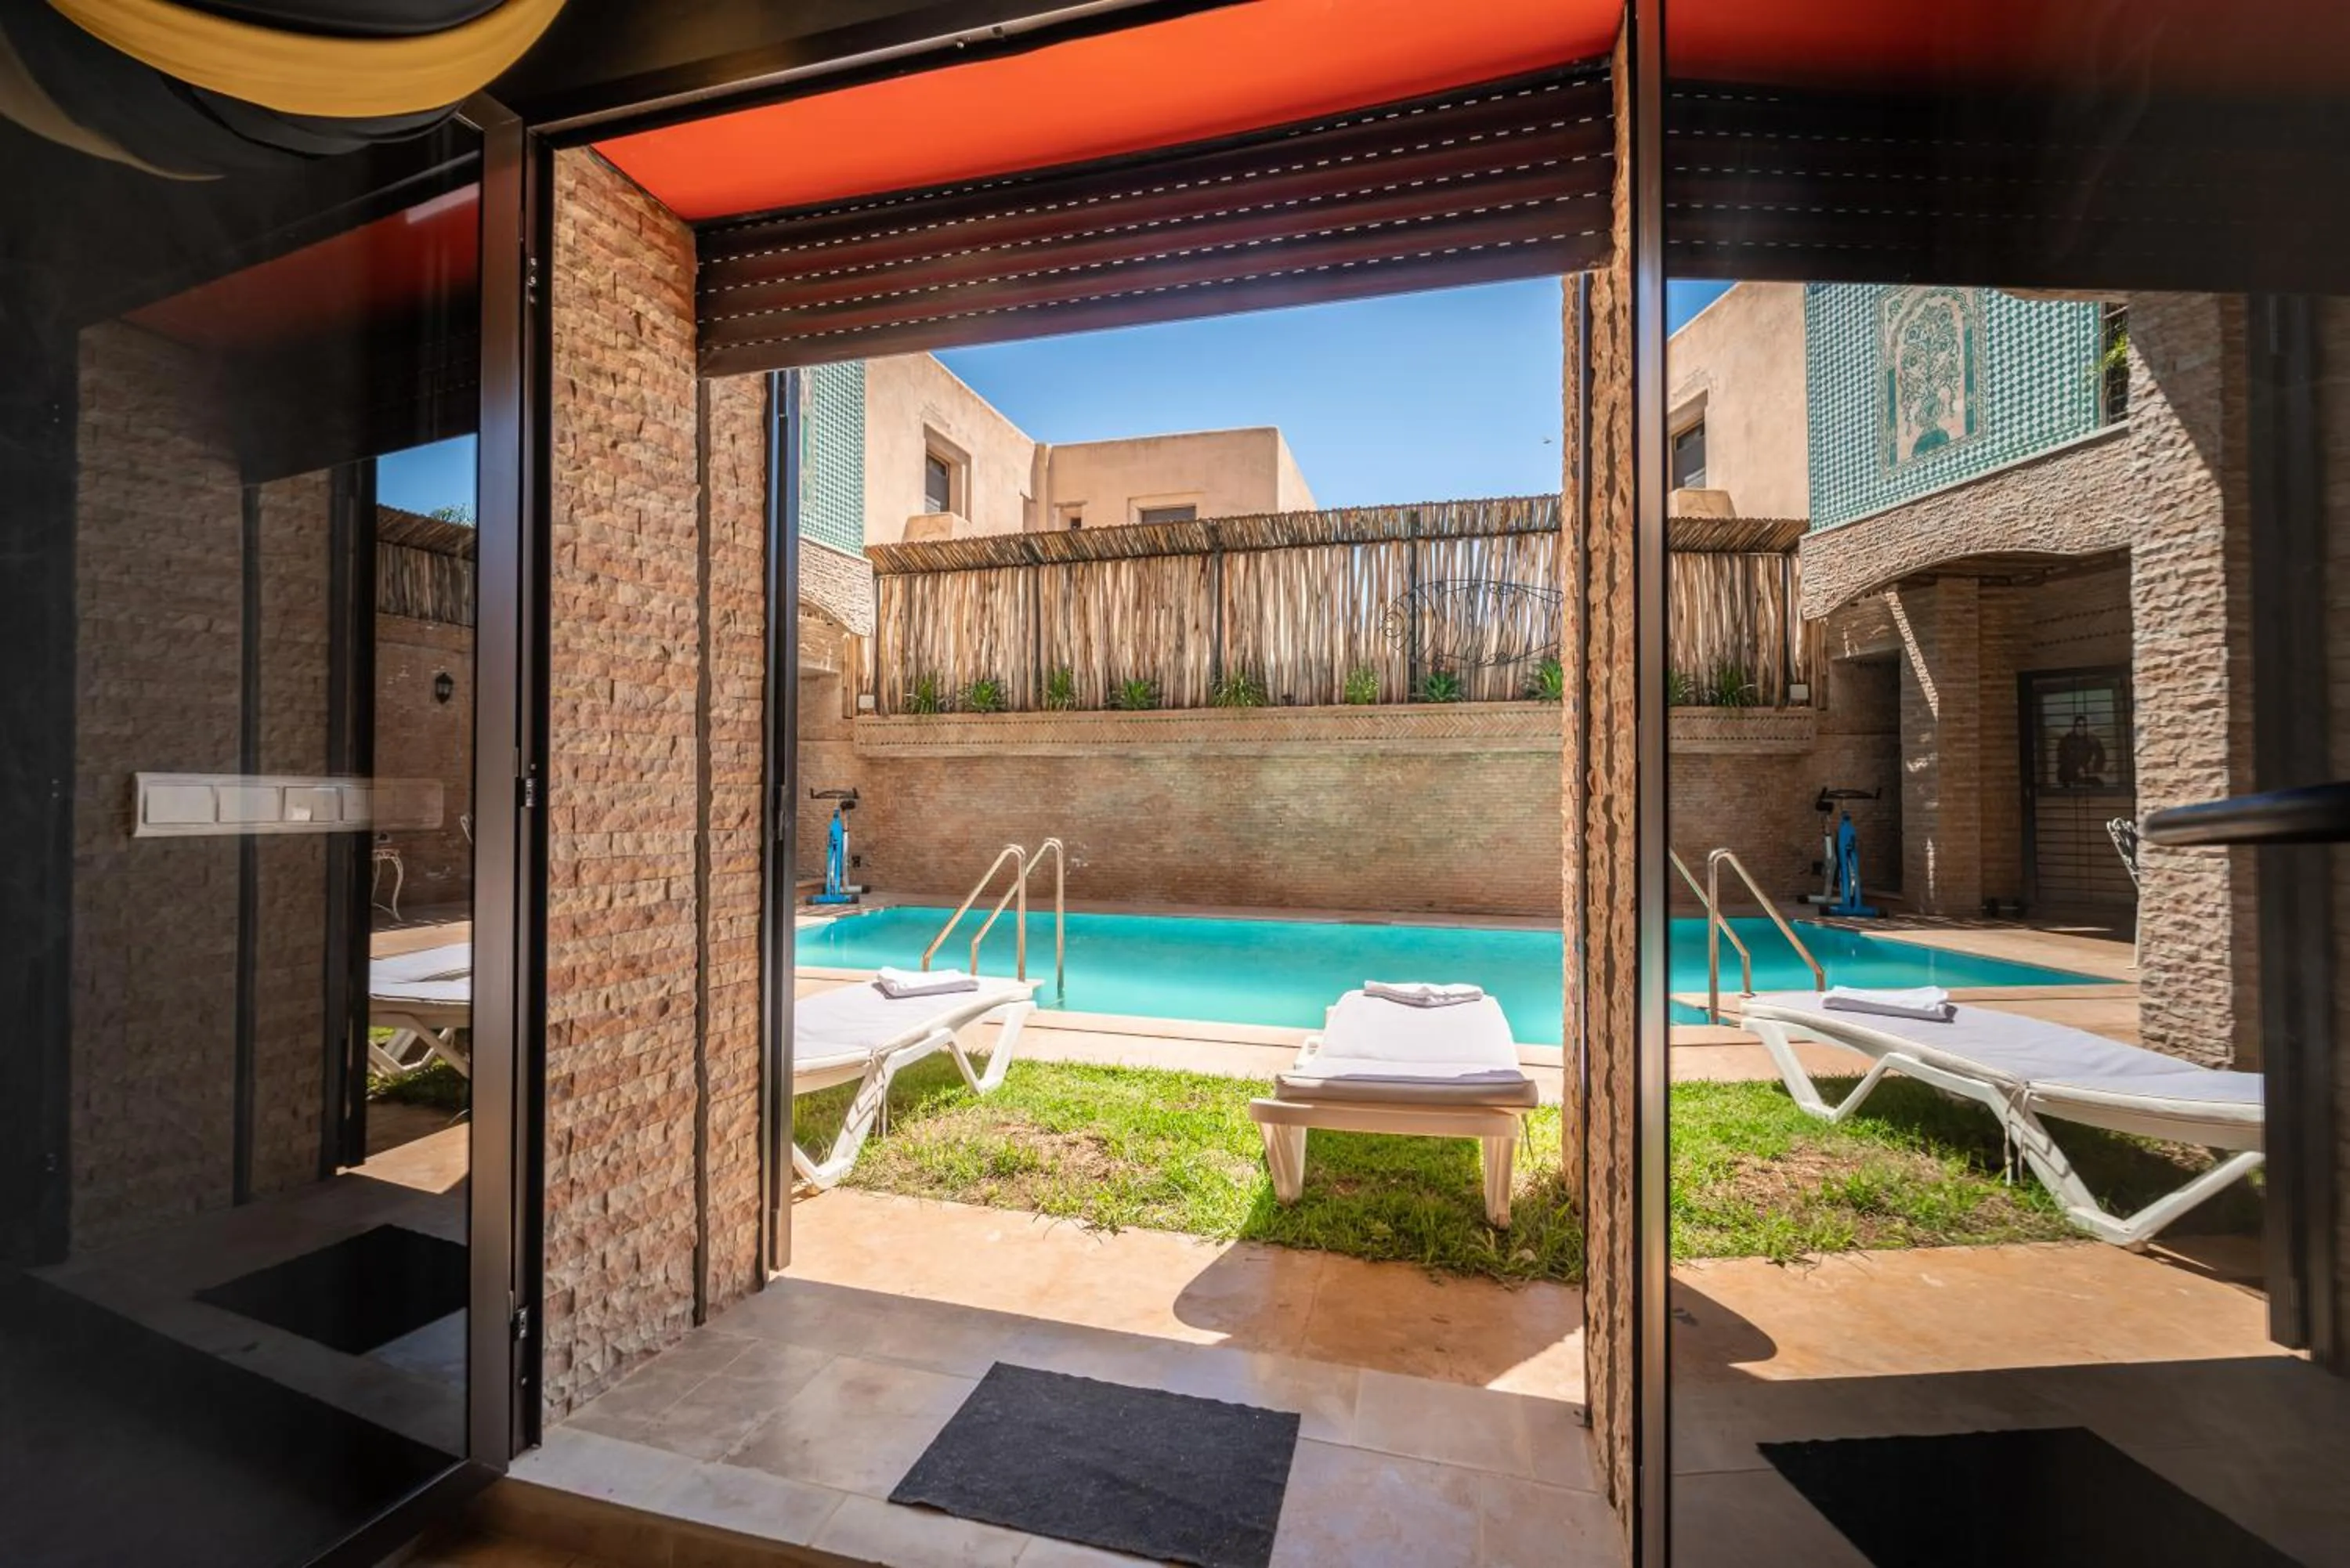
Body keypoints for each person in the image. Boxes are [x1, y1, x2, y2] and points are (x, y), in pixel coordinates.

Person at [2056, 714, 2106, 788]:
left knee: (2099, 785)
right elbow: (2062, 759)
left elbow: (2100, 754)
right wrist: (2076, 768)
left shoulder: (2091, 740)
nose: (2082, 728)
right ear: (2075, 727)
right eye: (2079, 726)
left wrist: (2095, 768)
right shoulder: (2066, 741)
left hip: (2085, 774)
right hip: (2068, 774)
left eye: (2084, 726)